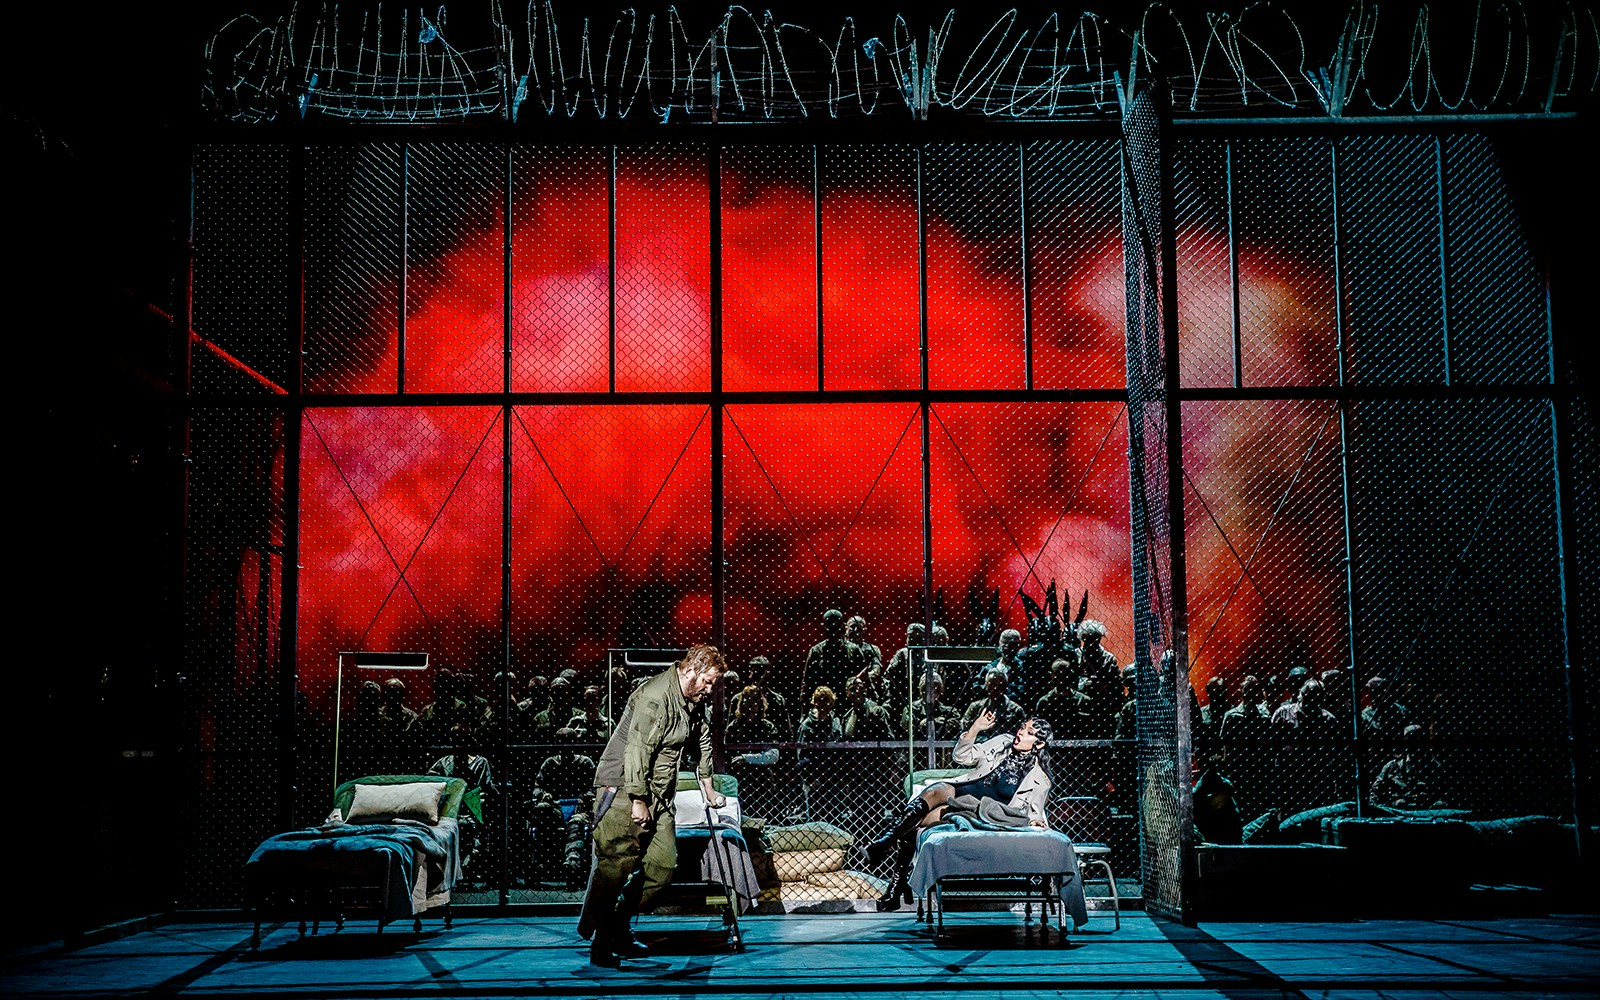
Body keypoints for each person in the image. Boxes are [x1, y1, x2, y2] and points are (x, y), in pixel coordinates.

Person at [577, 644, 727, 967]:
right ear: (693, 669)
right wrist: (638, 800)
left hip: (660, 793)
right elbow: (637, 750)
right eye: (708, 681)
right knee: (615, 865)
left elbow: (701, 739)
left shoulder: (692, 699)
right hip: (624, 788)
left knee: (663, 865)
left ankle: (617, 923)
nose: (710, 689)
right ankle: (603, 942)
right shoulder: (656, 697)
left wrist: (709, 787)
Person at [861, 710, 1054, 909]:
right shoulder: (1003, 741)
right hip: (961, 790)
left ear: (1039, 743)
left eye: (1029, 732)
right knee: (934, 791)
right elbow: (962, 757)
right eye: (1022, 727)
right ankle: (883, 844)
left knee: (915, 824)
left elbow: (1035, 811)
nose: (1021, 733)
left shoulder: (1040, 778)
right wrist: (975, 729)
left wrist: (1035, 821)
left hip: (977, 809)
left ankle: (894, 885)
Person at [804, 609, 866, 698]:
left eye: (836, 626)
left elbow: (863, 676)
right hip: (824, 702)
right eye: (831, 626)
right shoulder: (816, 651)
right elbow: (807, 681)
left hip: (847, 701)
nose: (834, 631)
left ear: (842, 627)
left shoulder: (853, 649)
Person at [961, 665, 1026, 737]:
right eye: (991, 685)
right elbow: (964, 728)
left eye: (999, 685)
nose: (995, 689)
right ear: (986, 686)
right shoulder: (975, 707)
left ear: (1006, 686)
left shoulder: (1016, 710)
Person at [840, 675, 895, 741]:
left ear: (865, 690)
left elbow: (889, 739)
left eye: (861, 688)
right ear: (847, 693)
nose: (857, 691)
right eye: (853, 689)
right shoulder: (847, 717)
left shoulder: (877, 711)